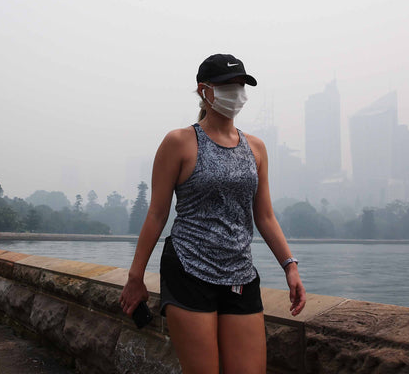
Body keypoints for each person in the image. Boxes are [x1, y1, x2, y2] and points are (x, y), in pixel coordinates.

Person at [119, 54, 306, 374]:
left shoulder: (256, 148)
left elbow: (264, 216)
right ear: (205, 91)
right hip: (188, 270)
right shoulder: (179, 142)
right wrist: (136, 277)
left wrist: (290, 266)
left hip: (240, 274)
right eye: (229, 86)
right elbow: (157, 214)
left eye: (241, 86)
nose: (238, 93)